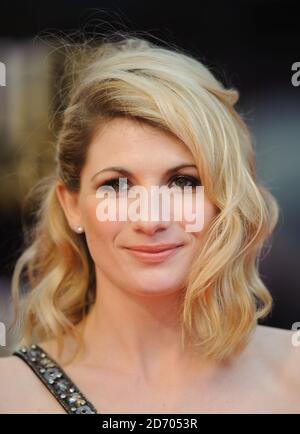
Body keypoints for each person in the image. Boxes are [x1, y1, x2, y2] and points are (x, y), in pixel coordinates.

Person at [0, 35, 299, 414]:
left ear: (224, 198)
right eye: (117, 186)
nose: (151, 219)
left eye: (183, 182)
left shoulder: (292, 376)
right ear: (72, 206)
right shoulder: (9, 394)